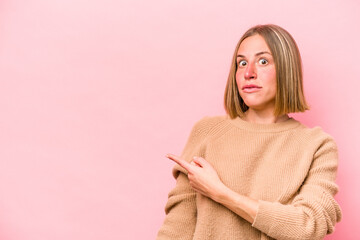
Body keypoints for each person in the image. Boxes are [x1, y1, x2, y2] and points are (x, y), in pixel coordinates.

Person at [156, 24, 342, 240]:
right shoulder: (207, 131)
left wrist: (221, 193)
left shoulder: (317, 146)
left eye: (263, 61)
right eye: (241, 63)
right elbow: (177, 227)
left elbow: (307, 226)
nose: (248, 73)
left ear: (286, 69)